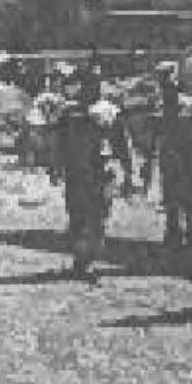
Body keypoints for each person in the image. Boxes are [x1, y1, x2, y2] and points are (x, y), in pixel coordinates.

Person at [55, 62, 113, 280]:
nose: (92, 88)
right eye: (88, 84)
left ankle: (90, 257)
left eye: (95, 83)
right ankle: (82, 260)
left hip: (102, 172)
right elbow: (60, 142)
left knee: (98, 216)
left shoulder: (109, 111)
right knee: (78, 215)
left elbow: (121, 141)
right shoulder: (70, 113)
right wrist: (56, 166)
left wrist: (128, 170)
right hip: (77, 172)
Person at [154, 61, 192, 257]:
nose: (165, 84)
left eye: (168, 78)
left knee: (191, 201)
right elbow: (156, 135)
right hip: (168, 159)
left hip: (189, 159)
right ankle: (173, 238)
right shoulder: (160, 105)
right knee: (171, 200)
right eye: (162, 80)